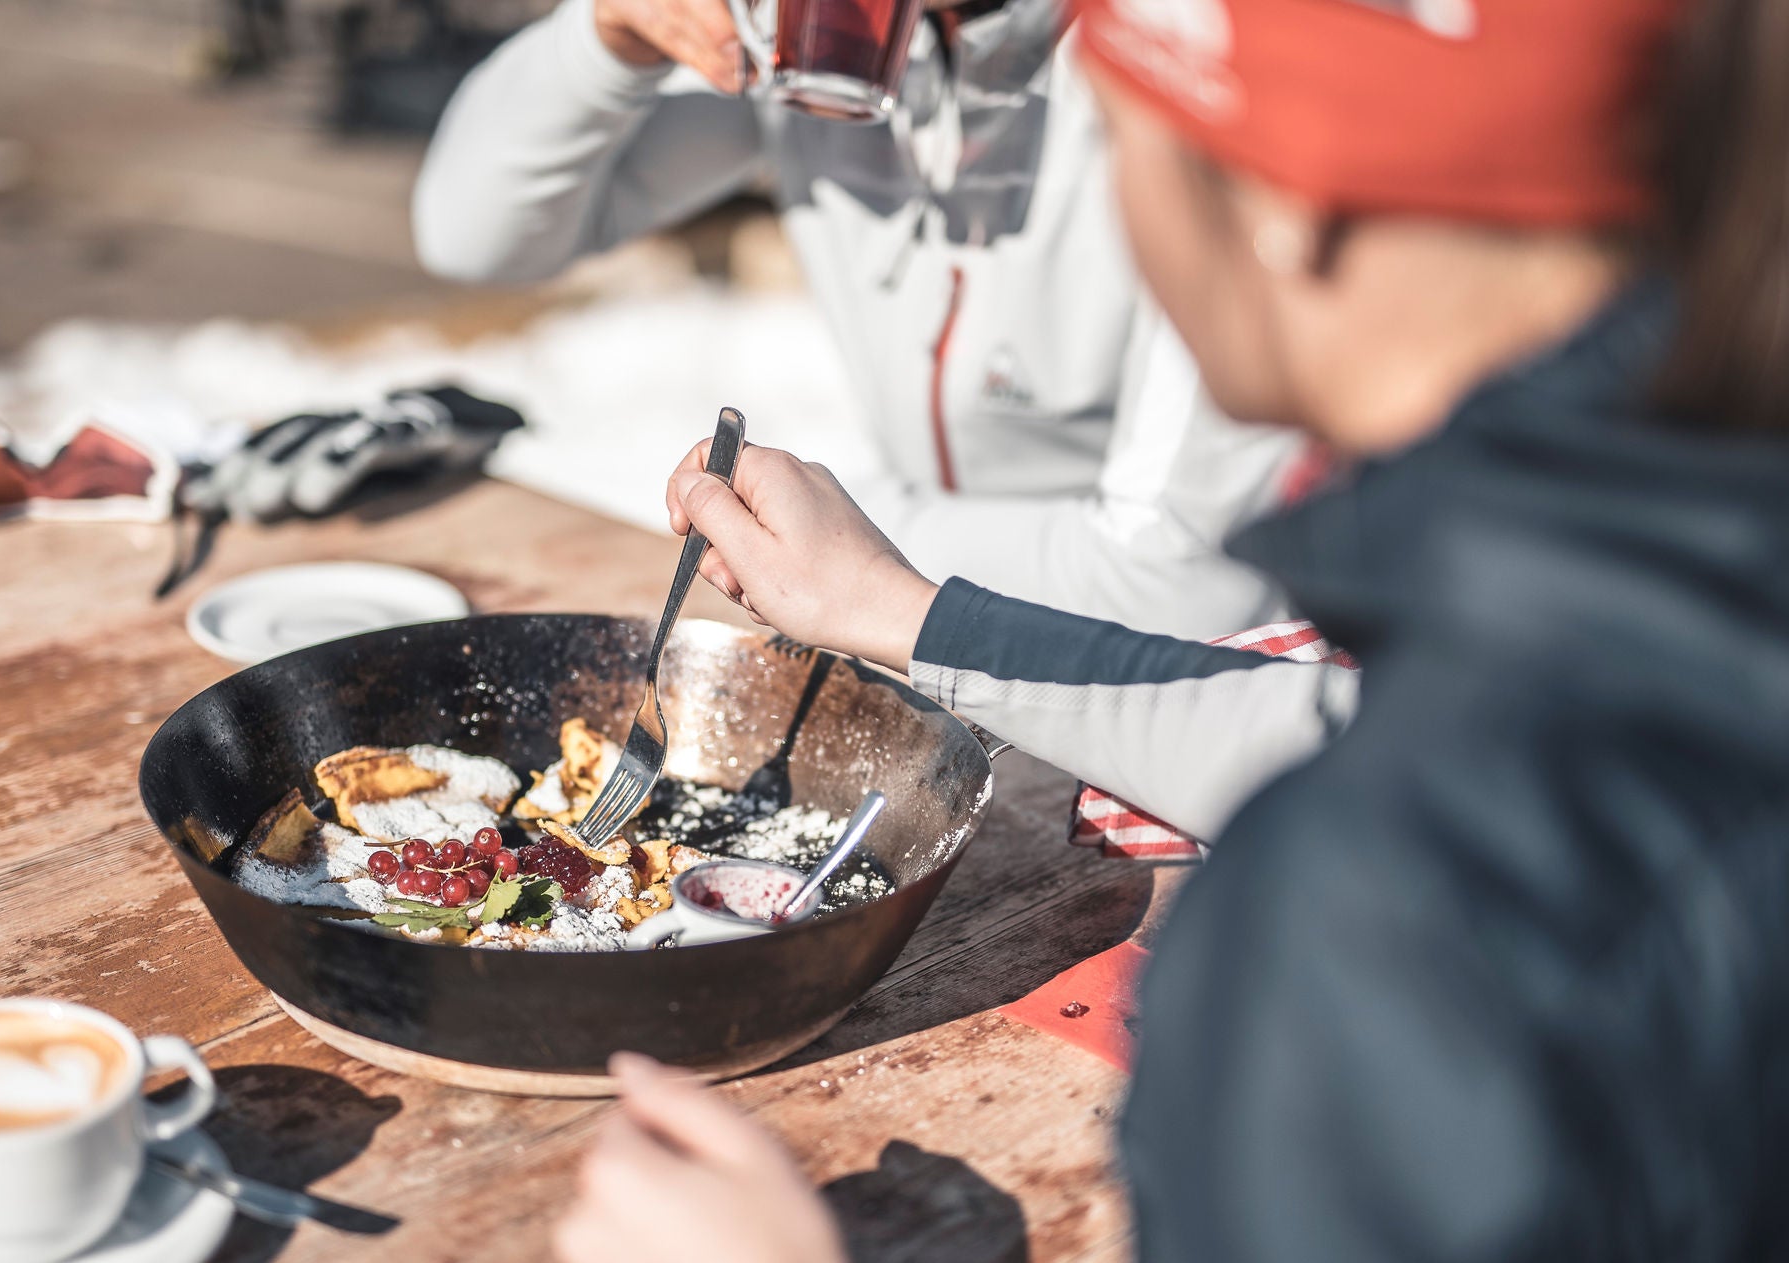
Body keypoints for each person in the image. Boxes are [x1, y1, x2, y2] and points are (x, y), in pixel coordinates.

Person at [551, 0, 1789, 1259]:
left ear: (1286, 207)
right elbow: (1332, 732)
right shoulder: (1662, 598)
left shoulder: (1374, 916)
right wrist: (891, 609)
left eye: (1120, 138)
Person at [414, 0, 1310, 642]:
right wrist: (604, 39)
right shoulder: (833, 32)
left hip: (1195, 685)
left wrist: (845, 546)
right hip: (911, 628)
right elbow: (472, 234)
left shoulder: (1193, 56)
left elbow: (1189, 580)